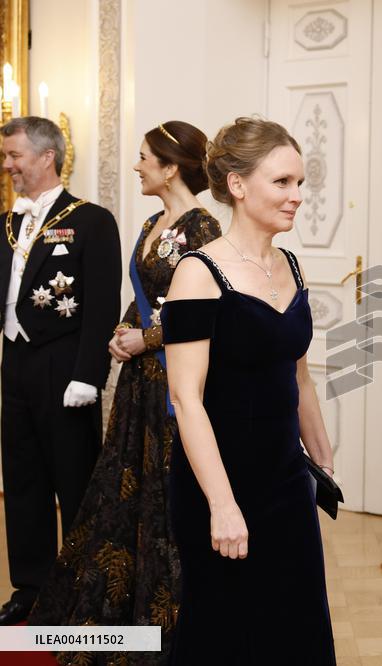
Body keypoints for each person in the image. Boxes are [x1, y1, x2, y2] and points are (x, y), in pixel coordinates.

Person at [27, 121, 220, 664]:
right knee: (127, 485)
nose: (136, 166)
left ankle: (168, 618)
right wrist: (121, 333)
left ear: (170, 166)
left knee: (166, 488)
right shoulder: (153, 222)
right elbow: (144, 297)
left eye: (143, 158)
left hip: (174, 376)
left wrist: (147, 338)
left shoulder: (204, 229)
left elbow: (206, 311)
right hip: (139, 379)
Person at [160, 117, 336, 665]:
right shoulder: (198, 272)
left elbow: (299, 376)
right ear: (237, 185)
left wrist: (323, 462)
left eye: (300, 184)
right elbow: (186, 400)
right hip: (219, 483)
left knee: (296, 627)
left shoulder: (290, 265)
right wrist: (222, 505)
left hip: (286, 480)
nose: (297, 197)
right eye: (282, 182)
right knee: (226, 634)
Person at [0, 117, 121, 626]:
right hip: (15, 364)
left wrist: (88, 376)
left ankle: (77, 592)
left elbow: (100, 306)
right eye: (5, 157)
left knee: (73, 482)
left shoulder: (92, 220)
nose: (8, 166)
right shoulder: (9, 222)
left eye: (15, 156)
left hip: (64, 368)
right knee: (22, 480)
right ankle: (30, 588)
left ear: (47, 156)